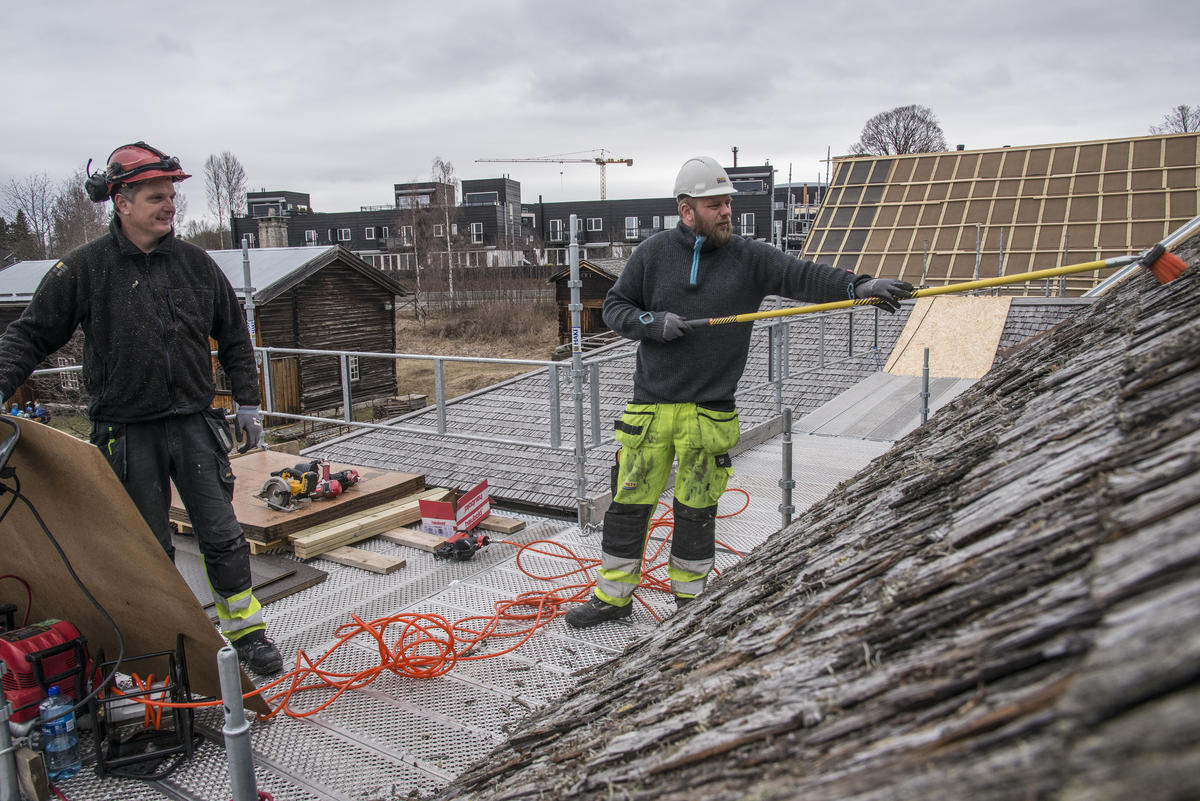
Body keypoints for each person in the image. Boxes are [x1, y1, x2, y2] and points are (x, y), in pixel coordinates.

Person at [566, 156, 914, 628]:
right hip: (650, 411)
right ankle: (613, 599)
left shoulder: (750, 258)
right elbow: (614, 307)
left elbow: (804, 276)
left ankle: (690, 606)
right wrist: (651, 322)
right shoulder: (651, 255)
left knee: (696, 513)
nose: (727, 211)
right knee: (627, 509)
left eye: (728, 203)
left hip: (708, 415)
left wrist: (859, 285)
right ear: (687, 211)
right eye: (716, 205)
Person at [0, 142, 282, 674]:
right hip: (125, 432)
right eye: (156, 197)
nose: (169, 206)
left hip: (196, 425)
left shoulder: (196, 265)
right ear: (121, 202)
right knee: (146, 548)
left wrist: (248, 401)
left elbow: (235, 337)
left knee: (221, 534)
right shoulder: (83, 269)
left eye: (171, 196)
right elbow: (28, 337)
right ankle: (176, 643)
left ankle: (246, 633)